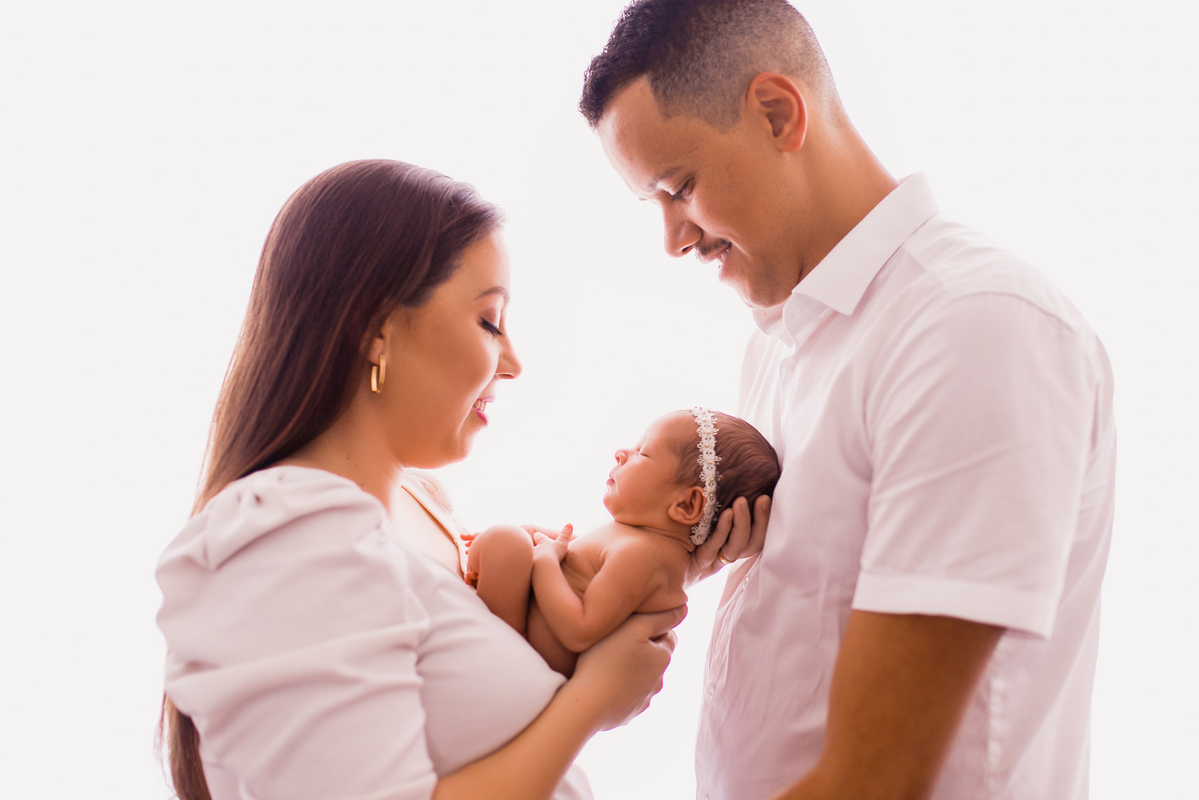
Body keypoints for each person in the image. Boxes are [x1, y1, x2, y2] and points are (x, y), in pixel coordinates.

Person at [580, 2, 1116, 799]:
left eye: (679, 188)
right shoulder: (779, 344)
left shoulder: (971, 326)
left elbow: (877, 779)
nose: (674, 240)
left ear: (777, 113)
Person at [156, 159, 703, 800]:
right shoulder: (289, 534)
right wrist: (592, 700)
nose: (513, 363)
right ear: (375, 328)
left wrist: (677, 545)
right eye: (489, 321)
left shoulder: (418, 505)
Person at [466, 409, 780, 675]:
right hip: (529, 633)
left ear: (686, 505)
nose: (621, 452)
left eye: (643, 452)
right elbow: (574, 555)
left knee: (505, 542)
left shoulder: (644, 556)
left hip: (525, 654)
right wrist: (533, 535)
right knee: (509, 539)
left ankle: (492, 654)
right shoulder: (640, 541)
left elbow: (580, 630)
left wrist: (544, 560)